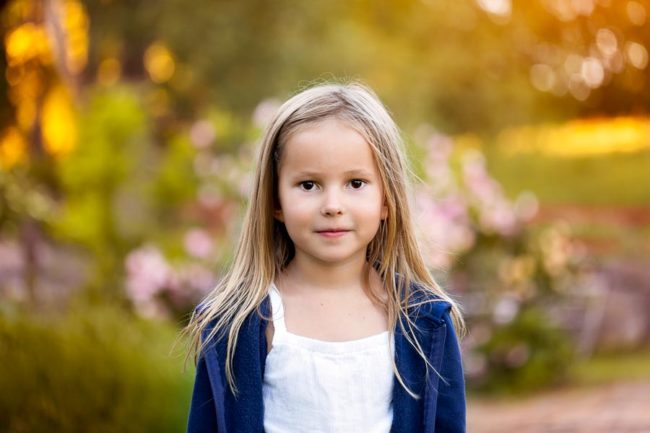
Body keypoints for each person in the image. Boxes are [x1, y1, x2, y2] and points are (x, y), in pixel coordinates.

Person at [184, 83, 466, 433]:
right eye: (308, 185)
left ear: (386, 200)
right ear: (275, 201)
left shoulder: (424, 322)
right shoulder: (238, 325)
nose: (333, 205)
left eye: (356, 183)